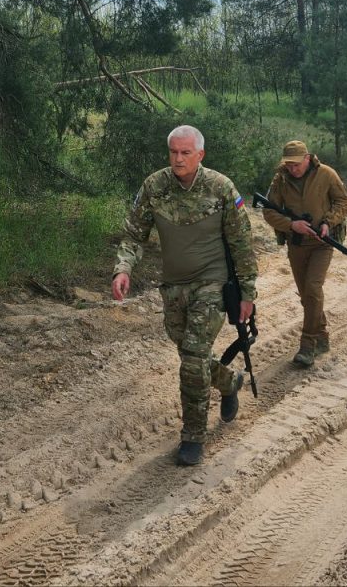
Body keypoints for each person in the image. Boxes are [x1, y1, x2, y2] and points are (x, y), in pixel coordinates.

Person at [112, 125, 258, 466]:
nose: (178, 159)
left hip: (212, 283)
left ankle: (193, 437)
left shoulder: (221, 188)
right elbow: (134, 235)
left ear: (200, 155)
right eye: (173, 152)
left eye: (185, 153)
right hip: (173, 287)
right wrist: (123, 269)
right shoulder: (154, 186)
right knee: (191, 357)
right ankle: (229, 380)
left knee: (193, 358)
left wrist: (248, 292)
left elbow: (242, 243)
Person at [261, 140, 347, 366]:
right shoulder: (280, 181)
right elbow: (269, 212)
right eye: (288, 165)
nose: (292, 169)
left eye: (296, 164)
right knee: (306, 296)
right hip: (296, 243)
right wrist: (292, 225)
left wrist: (328, 223)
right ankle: (322, 336)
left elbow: (343, 202)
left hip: (322, 242)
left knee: (312, 288)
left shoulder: (327, 174)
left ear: (307, 159)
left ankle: (307, 345)